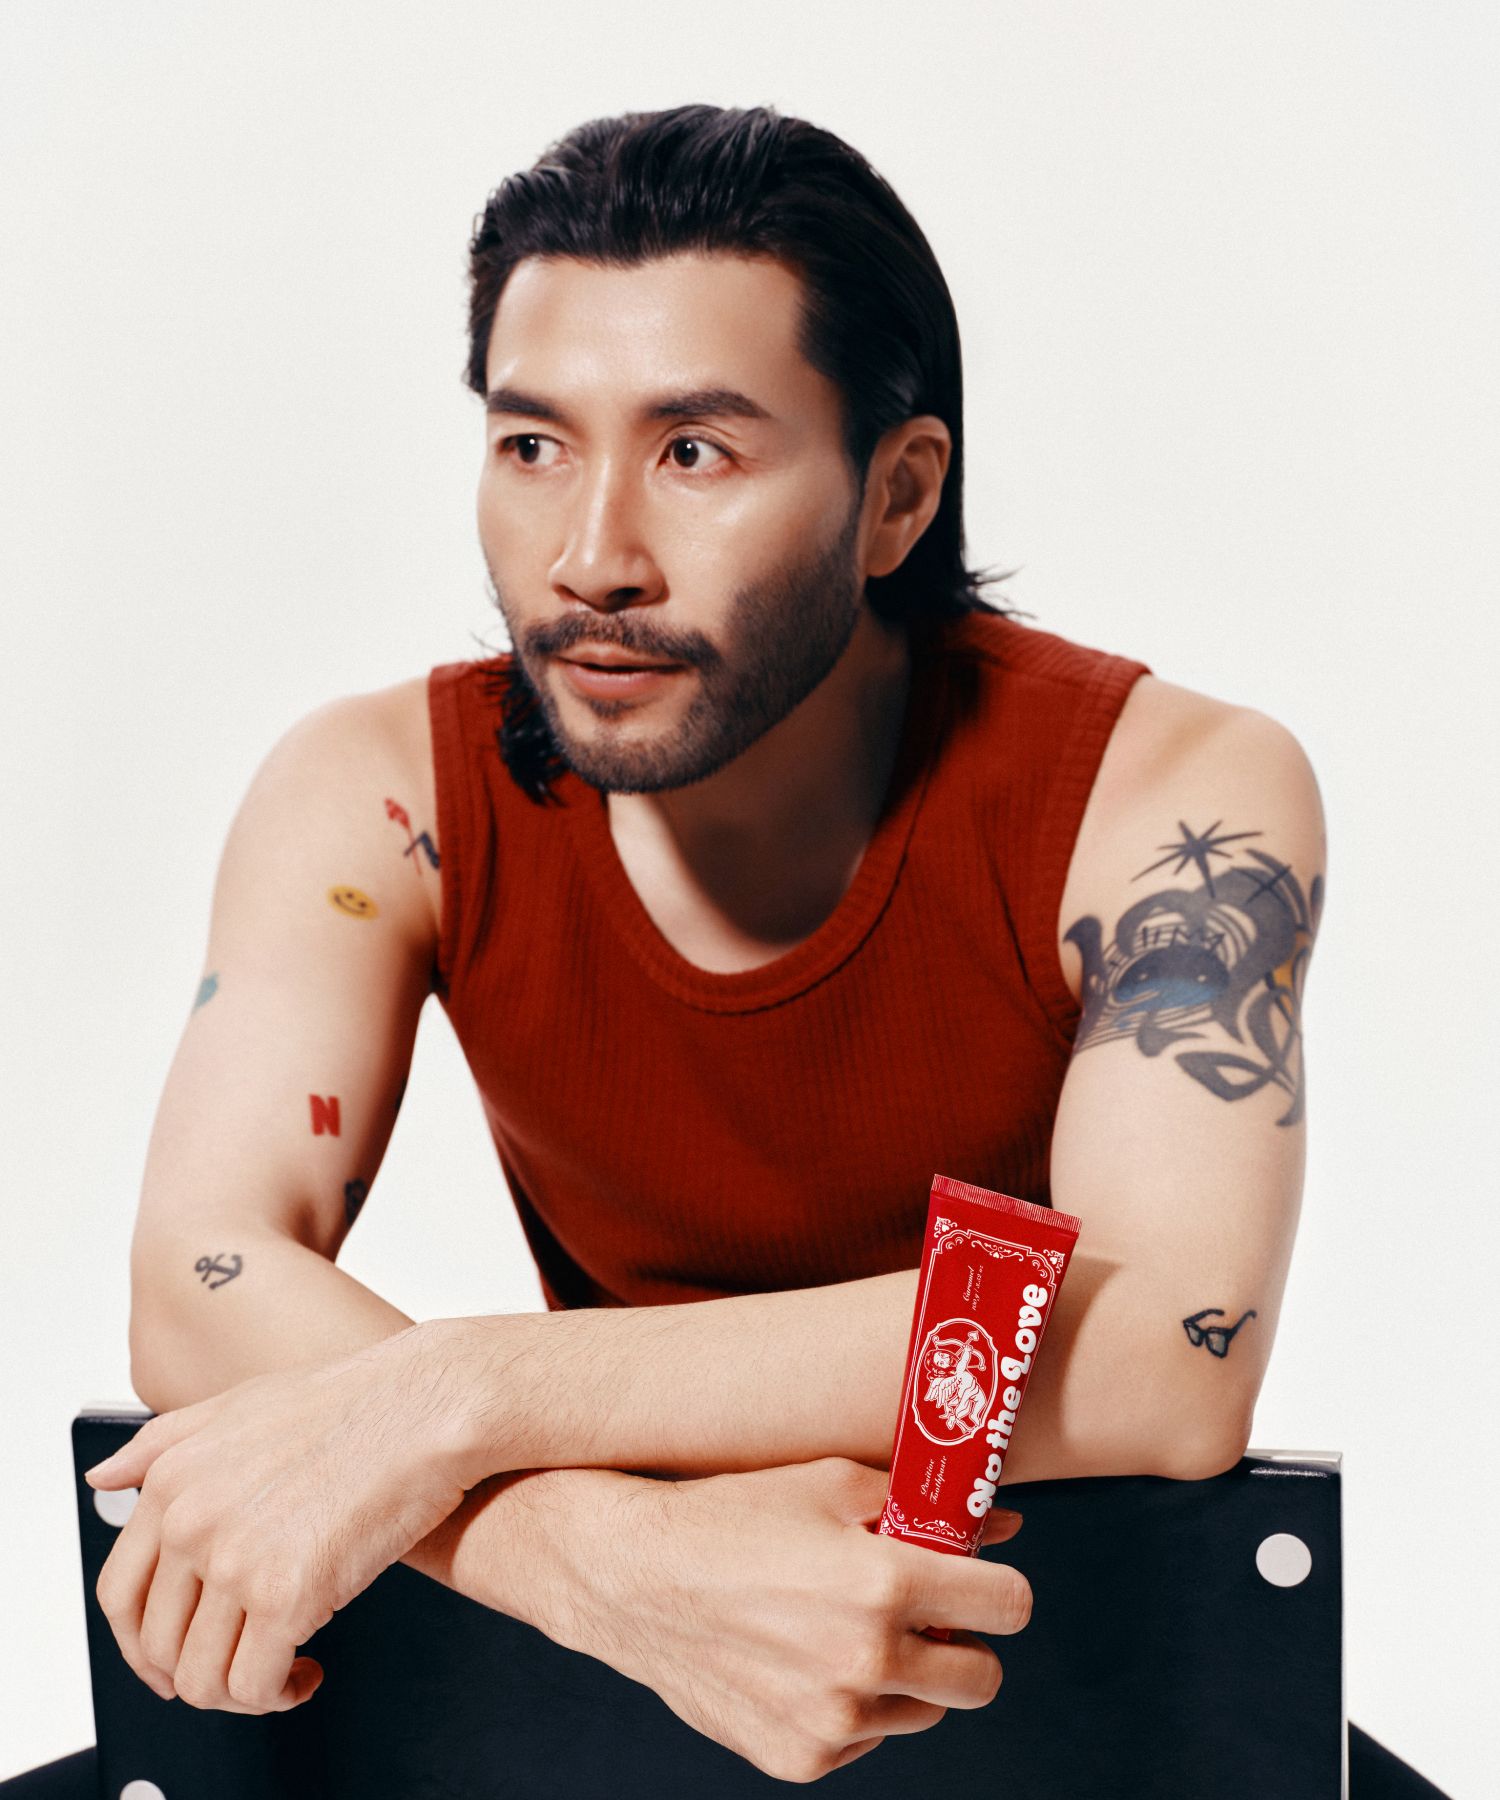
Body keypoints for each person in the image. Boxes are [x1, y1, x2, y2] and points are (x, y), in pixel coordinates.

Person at [3, 105, 1448, 1797]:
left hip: (1077, 1703)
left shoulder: (1168, 790)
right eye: (532, 444)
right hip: (579, 1693)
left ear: (898, 494)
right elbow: (195, 1283)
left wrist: (463, 1397)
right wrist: (597, 1563)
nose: (591, 557)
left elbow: (1159, 1356)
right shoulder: (381, 792)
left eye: (695, 452)